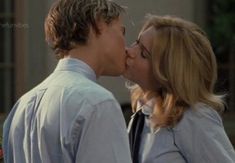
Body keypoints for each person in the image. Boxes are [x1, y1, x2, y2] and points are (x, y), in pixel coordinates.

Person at [3, 0, 132, 162]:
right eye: (122, 31)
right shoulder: (98, 103)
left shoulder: (21, 106)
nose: (126, 46)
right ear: (99, 24)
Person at [124, 14, 235, 163]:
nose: (129, 51)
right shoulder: (142, 114)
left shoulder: (194, 118)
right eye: (137, 42)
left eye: (144, 54)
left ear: (168, 73)